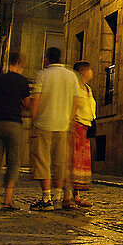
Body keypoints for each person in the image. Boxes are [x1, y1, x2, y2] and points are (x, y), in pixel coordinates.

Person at [28, 46, 78, 211]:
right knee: (60, 162)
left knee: (43, 161)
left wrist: (34, 120)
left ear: (47, 59)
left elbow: (35, 100)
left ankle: (46, 198)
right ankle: (57, 196)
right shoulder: (71, 76)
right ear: (61, 58)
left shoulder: (42, 75)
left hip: (43, 123)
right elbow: (76, 101)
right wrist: (68, 119)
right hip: (63, 124)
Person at [0, 52, 31, 210]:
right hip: (14, 123)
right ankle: (8, 199)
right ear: (19, 62)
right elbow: (27, 104)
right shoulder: (22, 81)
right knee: (13, 163)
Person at [67, 61, 96, 208]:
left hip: (86, 128)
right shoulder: (75, 88)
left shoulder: (88, 89)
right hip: (76, 127)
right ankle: (69, 196)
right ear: (83, 72)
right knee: (73, 162)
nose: (92, 72)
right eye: (89, 69)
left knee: (81, 164)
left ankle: (77, 195)